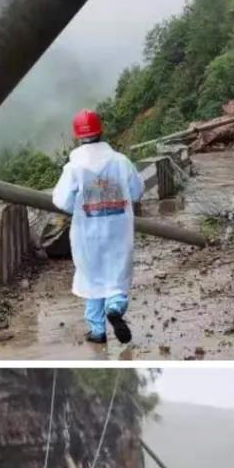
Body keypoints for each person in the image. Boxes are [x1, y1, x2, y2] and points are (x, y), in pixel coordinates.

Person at [52, 108, 145, 345]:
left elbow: (62, 201)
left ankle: (97, 331)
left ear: (77, 136)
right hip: (118, 230)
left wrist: (82, 204)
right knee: (116, 276)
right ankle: (115, 308)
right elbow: (137, 191)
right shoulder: (120, 161)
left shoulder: (74, 168)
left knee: (92, 279)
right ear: (100, 131)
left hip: (87, 233)